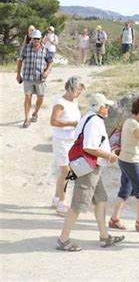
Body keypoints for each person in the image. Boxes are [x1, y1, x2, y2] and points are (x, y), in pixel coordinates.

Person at [56, 93, 124, 252]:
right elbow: (89, 147)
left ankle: (104, 236)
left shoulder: (86, 117)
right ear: (99, 108)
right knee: (78, 204)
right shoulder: (95, 121)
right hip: (88, 168)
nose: (108, 108)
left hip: (90, 167)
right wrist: (109, 155)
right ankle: (63, 239)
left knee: (101, 199)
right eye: (106, 106)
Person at [109, 98, 139, 232]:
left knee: (126, 189)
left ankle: (114, 219)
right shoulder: (133, 124)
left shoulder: (129, 122)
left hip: (125, 159)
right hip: (130, 161)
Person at [50, 76, 84, 215]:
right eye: (78, 89)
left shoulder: (74, 103)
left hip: (71, 141)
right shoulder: (60, 102)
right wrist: (72, 124)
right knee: (66, 172)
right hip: (61, 141)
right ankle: (62, 204)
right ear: (70, 89)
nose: (79, 92)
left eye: (81, 90)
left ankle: (57, 198)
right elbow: (54, 121)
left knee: (65, 172)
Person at [16, 29, 53, 128]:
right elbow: (19, 61)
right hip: (28, 77)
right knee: (27, 97)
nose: (36, 41)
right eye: (34, 39)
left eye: (37, 39)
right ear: (31, 39)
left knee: (40, 97)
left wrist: (46, 72)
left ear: (40, 39)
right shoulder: (26, 48)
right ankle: (27, 119)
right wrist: (18, 74)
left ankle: (35, 113)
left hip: (40, 78)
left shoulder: (45, 50)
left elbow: (50, 62)